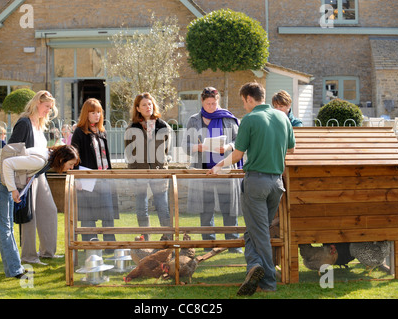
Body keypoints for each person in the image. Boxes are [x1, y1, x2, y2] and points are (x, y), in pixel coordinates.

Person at [207, 82, 295, 295]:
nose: (243, 106)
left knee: (260, 232)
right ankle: (253, 266)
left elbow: (237, 155)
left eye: (243, 101)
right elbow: (291, 150)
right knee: (255, 230)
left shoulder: (250, 119)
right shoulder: (283, 118)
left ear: (248, 98)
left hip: (256, 182)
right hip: (277, 183)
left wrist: (218, 166)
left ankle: (268, 282)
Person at [0, 145, 79, 278]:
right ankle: (14, 270)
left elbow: (23, 167)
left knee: (8, 229)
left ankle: (15, 268)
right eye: (70, 164)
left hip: (4, 182)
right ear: (61, 159)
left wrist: (28, 177)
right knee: (4, 229)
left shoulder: (47, 159)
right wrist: (13, 190)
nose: (71, 168)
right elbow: (7, 163)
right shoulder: (41, 160)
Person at [181, 87, 242, 252]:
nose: (211, 106)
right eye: (208, 103)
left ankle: (233, 245)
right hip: (204, 172)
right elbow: (185, 146)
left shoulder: (227, 119)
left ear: (218, 101)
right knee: (206, 209)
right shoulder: (194, 120)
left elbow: (239, 141)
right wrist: (198, 147)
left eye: (214, 103)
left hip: (225, 170)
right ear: (201, 102)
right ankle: (209, 244)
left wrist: (228, 146)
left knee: (228, 208)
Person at [7, 90, 60, 265]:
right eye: (47, 107)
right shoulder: (24, 123)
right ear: (37, 103)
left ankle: (47, 252)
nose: (48, 111)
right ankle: (29, 256)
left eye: (50, 108)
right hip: (26, 177)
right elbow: (11, 150)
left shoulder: (39, 124)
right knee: (29, 216)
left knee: (50, 210)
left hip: (39, 175)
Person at [124, 92, 172, 240]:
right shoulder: (132, 127)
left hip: (158, 173)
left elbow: (166, 150)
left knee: (162, 206)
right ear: (138, 108)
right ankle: (146, 238)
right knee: (141, 208)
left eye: (150, 104)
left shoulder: (163, 126)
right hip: (139, 173)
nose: (147, 107)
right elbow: (129, 152)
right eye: (144, 105)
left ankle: (168, 237)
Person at [71, 98, 118, 243]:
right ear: (86, 114)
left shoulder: (102, 132)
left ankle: (109, 243)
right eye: (92, 112)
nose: (96, 115)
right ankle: (91, 243)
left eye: (98, 112)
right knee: (88, 214)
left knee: (107, 213)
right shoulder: (79, 132)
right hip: (87, 180)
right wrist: (77, 177)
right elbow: (74, 156)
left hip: (104, 178)